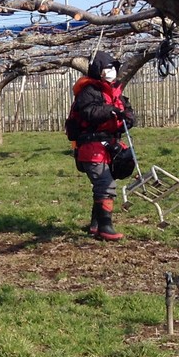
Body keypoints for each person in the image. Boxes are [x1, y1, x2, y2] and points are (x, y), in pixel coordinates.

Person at [66, 51, 136, 241]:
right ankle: (106, 228)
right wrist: (111, 110)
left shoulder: (115, 92)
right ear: (98, 70)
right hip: (92, 145)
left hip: (111, 144)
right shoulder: (88, 92)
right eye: (107, 68)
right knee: (105, 184)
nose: (111, 71)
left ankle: (95, 225)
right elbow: (90, 112)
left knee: (103, 183)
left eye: (113, 68)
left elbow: (127, 113)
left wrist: (126, 118)